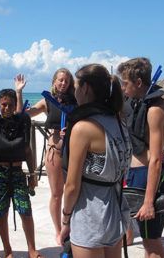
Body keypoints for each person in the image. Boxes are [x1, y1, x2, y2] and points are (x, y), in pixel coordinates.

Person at [59, 64, 132, 258]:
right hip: (114, 209)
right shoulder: (118, 120)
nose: (74, 91)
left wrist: (65, 220)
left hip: (90, 212)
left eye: (76, 86)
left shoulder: (84, 128)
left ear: (85, 88)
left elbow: (72, 186)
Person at [117, 57, 164, 258]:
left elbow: (157, 157)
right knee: (145, 239)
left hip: (149, 176)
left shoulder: (155, 109)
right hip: (134, 175)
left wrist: (149, 201)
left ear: (138, 83)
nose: (123, 87)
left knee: (151, 241)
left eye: (125, 83)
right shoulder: (136, 103)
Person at [16, 68, 77, 245]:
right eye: (60, 80)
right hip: (55, 151)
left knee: (73, 191)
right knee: (57, 193)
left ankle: (71, 227)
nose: (63, 83)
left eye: (66, 80)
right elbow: (22, 115)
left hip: (74, 151)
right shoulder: (47, 102)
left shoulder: (77, 100)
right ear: (54, 82)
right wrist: (19, 92)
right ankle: (58, 231)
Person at [0, 87, 41, 258]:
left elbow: (27, 150)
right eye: (3, 105)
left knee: (25, 211)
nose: (7, 108)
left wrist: (32, 175)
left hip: (17, 171)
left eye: (11, 105)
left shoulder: (22, 121)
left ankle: (32, 249)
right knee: (1, 213)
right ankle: (8, 250)